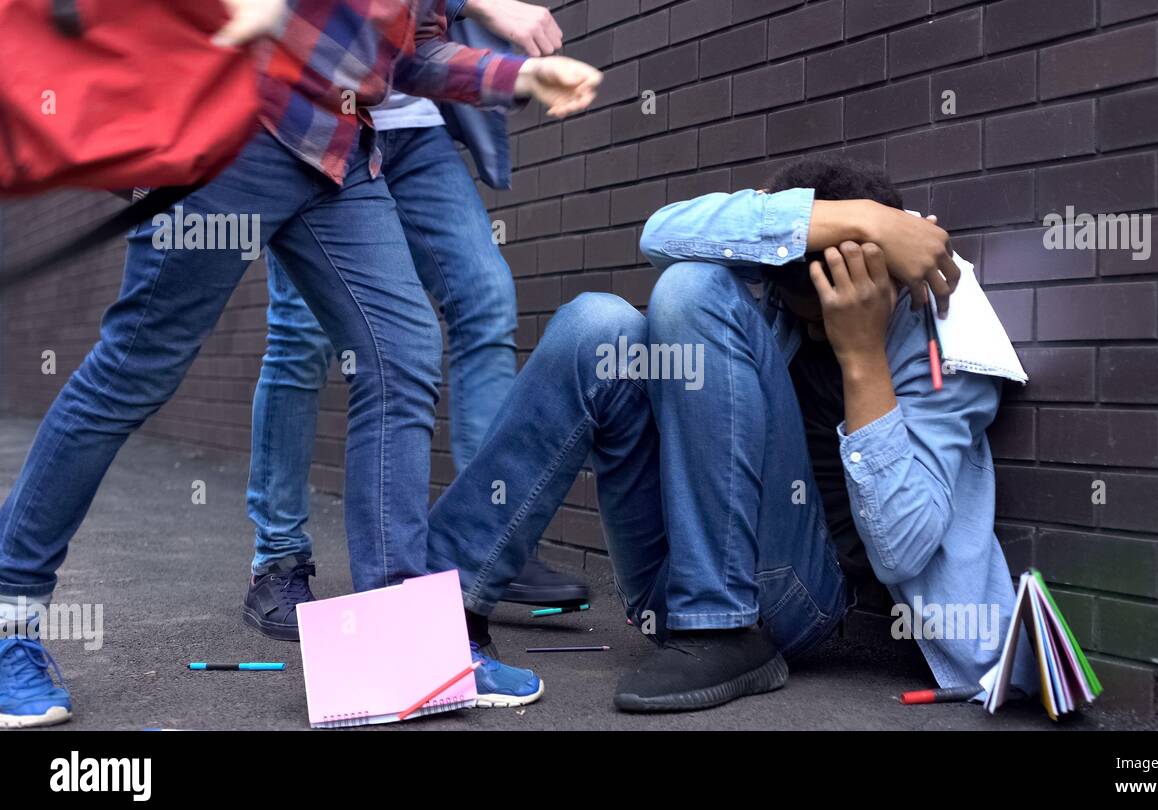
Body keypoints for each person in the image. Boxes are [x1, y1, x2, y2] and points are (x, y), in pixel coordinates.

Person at [0, 0, 600, 728]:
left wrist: (522, 74)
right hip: (233, 136)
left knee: (403, 354)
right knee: (132, 374)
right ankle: (9, 620)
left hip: (338, 152)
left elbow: (408, 54)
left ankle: (397, 649)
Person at [415, 156, 1032, 712]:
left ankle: (722, 627)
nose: (804, 330)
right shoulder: (794, 272)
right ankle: (437, 617)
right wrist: (860, 219)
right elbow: (660, 233)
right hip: (671, 582)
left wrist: (862, 356)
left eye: (813, 316)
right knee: (594, 326)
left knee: (693, 289)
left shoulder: (946, 339)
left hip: (797, 600)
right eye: (792, 310)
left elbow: (903, 548)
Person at [242, 0, 589, 646]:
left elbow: (422, 35)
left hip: (413, 117)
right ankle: (279, 556)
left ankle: (485, 535)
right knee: (302, 336)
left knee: (484, 295)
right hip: (316, 116)